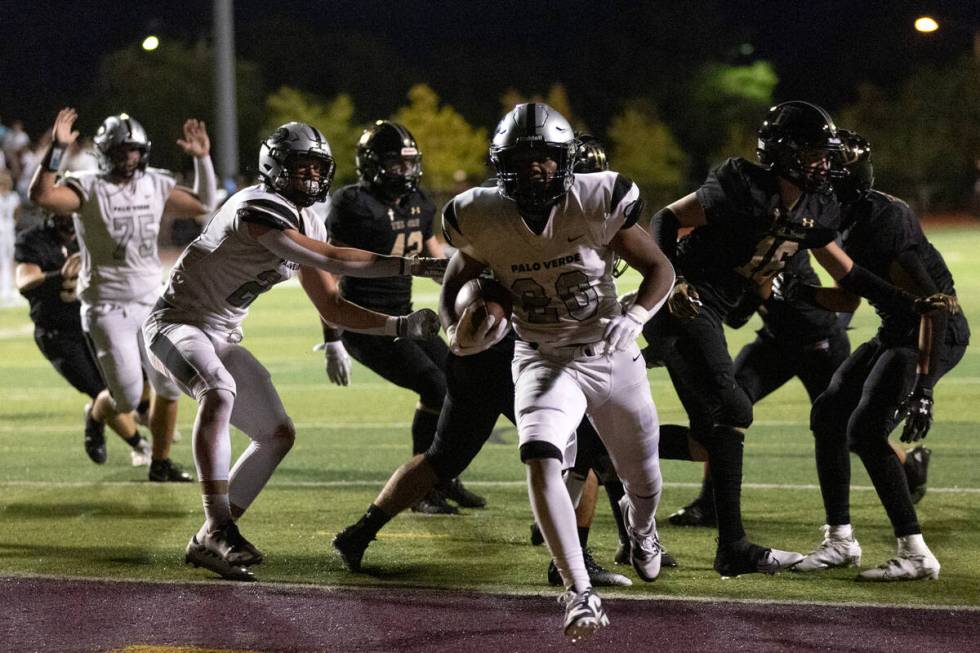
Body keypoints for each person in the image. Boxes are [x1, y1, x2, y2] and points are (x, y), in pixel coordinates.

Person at [142, 122, 445, 582]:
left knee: (277, 433)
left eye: (316, 167)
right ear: (274, 169)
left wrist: (398, 325)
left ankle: (208, 538)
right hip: (175, 322)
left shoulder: (311, 220)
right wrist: (416, 265)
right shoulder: (256, 205)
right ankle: (221, 526)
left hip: (220, 333)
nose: (308, 176)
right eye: (298, 166)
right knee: (219, 391)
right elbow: (333, 259)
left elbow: (333, 305)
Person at [644, 100, 936, 577]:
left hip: (723, 312)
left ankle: (599, 451)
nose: (825, 164)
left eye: (827, 154)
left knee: (709, 437)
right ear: (783, 152)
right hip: (691, 299)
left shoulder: (819, 204)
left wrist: (905, 302)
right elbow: (667, 218)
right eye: (815, 154)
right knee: (734, 410)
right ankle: (732, 545)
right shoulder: (740, 184)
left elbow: (845, 271)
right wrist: (670, 280)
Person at [442, 103, 674, 641]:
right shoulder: (478, 214)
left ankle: (642, 528)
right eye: (523, 162)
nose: (536, 171)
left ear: (564, 160)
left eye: (546, 160)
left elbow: (660, 267)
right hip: (543, 356)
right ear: (502, 165)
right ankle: (578, 591)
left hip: (610, 353)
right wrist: (457, 325)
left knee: (643, 477)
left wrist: (637, 315)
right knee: (540, 454)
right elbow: (460, 272)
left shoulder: (595, 199)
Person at [787, 130, 968, 581]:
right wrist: (800, 292)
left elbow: (936, 306)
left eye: (830, 166)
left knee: (865, 431)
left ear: (851, 174)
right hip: (896, 329)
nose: (821, 172)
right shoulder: (839, 214)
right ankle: (840, 540)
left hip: (931, 332)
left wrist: (924, 388)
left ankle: (916, 552)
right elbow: (849, 300)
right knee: (829, 413)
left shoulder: (885, 219)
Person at [29, 108, 216, 482]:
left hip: (152, 300)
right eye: (120, 150)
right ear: (104, 152)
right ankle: (96, 413)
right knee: (128, 398)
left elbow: (202, 205)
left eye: (133, 150)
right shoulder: (89, 185)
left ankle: (160, 463)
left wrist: (202, 159)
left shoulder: (155, 184)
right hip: (106, 304)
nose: (128, 157)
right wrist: (56, 150)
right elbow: (43, 196)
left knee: (167, 386)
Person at [320, 120, 483, 514]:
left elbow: (434, 253)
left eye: (409, 164)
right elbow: (328, 269)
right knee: (434, 386)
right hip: (367, 323)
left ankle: (443, 475)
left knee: (463, 384)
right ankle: (420, 489)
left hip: (406, 317)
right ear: (372, 164)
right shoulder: (353, 205)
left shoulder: (420, 202)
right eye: (395, 164)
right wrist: (332, 337)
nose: (404, 173)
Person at [664, 250, 851, 527]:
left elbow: (815, 302)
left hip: (819, 345)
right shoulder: (745, 247)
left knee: (846, 430)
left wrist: (766, 287)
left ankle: (906, 467)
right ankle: (711, 502)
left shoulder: (786, 249)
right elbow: (737, 317)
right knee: (727, 409)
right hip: (776, 343)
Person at [14, 210, 151, 464]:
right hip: (57, 332)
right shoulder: (33, 240)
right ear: (48, 211)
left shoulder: (89, 234)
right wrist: (60, 276)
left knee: (140, 373)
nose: (69, 219)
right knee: (102, 392)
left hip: (93, 324)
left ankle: (125, 415)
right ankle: (138, 445)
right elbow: (24, 281)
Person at [0, 169, 20, 305]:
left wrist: (12, 223)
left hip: (8, 231)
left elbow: (17, 213)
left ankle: (7, 288)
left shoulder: (14, 197)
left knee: (8, 259)